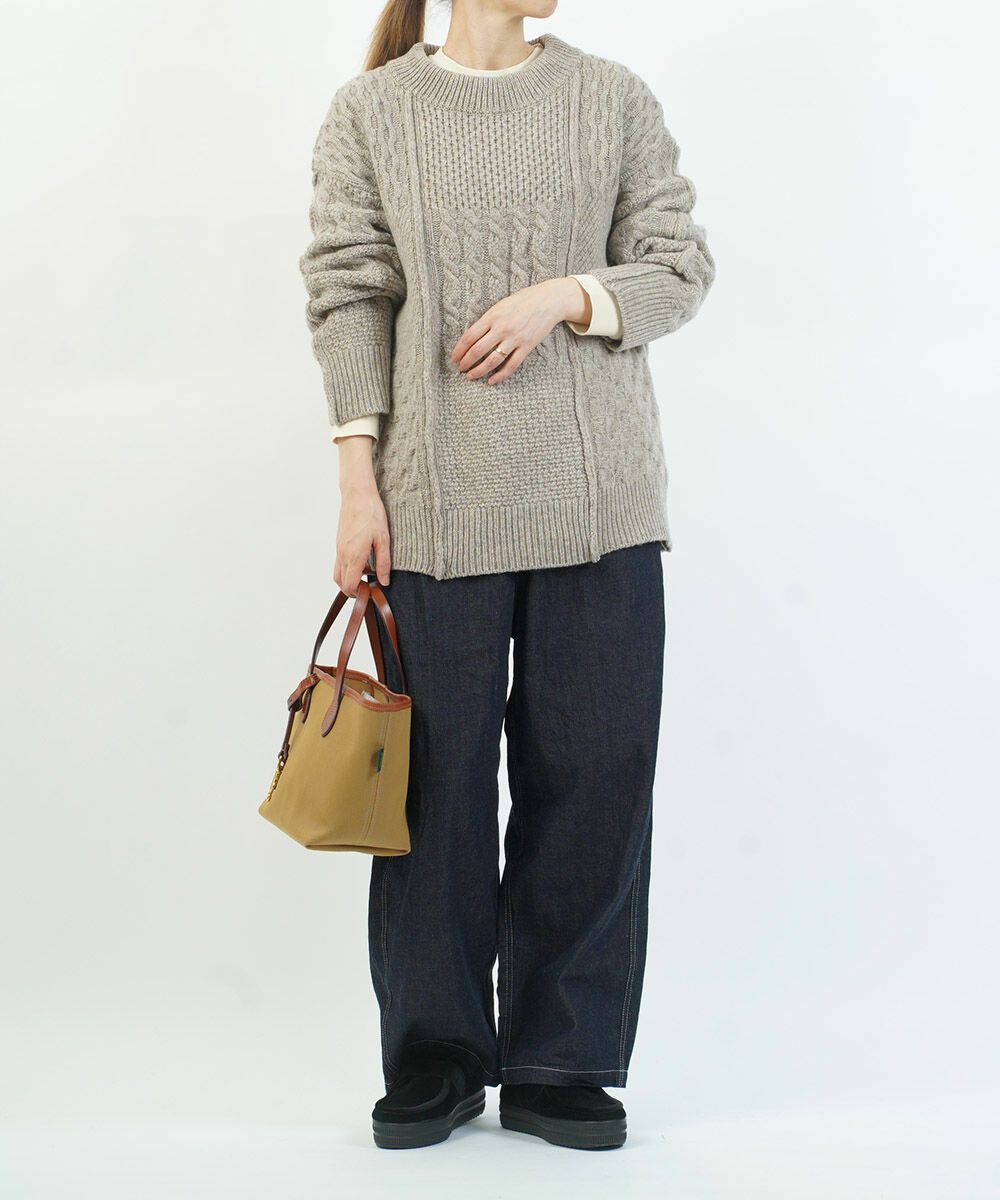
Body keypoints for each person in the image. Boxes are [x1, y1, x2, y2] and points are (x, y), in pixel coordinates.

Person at [299, 0, 714, 1151]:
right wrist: (357, 485)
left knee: (594, 780)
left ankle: (560, 1059)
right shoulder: (372, 111)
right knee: (429, 793)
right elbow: (348, 293)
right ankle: (435, 1054)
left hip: (601, 508)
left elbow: (679, 266)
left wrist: (566, 297)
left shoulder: (610, 96)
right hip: (432, 509)